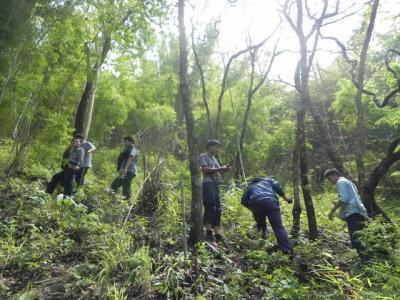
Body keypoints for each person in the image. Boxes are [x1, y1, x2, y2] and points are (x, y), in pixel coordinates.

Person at [324, 168, 370, 262]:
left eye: (329, 178)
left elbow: (343, 199)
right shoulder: (348, 182)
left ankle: (365, 262)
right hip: (360, 211)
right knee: (364, 236)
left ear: (334, 175)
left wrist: (332, 210)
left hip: (353, 213)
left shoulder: (340, 182)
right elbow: (350, 197)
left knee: (356, 238)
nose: (330, 181)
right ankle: (369, 259)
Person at [241, 176, 293, 255]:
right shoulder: (268, 181)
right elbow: (278, 187)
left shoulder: (250, 186)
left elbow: (243, 201)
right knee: (278, 227)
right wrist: (286, 198)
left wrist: (252, 209)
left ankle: (262, 245)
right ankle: (287, 251)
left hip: (256, 204)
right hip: (271, 202)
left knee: (261, 226)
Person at [199, 139, 232, 243]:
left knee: (218, 207)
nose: (218, 149)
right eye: (216, 147)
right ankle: (208, 231)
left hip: (215, 184)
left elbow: (219, 170)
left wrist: (226, 168)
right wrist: (220, 168)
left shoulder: (214, 158)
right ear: (210, 147)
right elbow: (205, 170)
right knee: (210, 205)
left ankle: (217, 233)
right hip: (208, 183)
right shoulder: (203, 156)